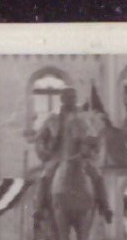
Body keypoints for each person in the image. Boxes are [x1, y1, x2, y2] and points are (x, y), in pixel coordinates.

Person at [33, 85, 114, 224]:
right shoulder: (53, 118)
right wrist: (45, 152)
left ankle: (105, 207)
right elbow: (40, 138)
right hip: (57, 156)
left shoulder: (84, 118)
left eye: (74, 97)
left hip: (81, 157)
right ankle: (39, 208)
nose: (72, 100)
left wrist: (90, 148)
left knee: (97, 175)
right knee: (45, 176)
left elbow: (93, 138)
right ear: (62, 99)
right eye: (69, 97)